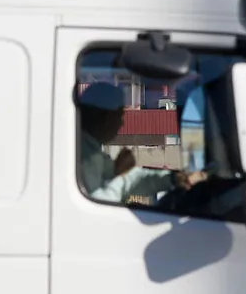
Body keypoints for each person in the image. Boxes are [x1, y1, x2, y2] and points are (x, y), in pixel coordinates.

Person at [76, 81, 204, 203]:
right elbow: (101, 201)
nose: (122, 123)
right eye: (120, 116)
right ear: (107, 118)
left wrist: (171, 179)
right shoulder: (84, 157)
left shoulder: (91, 151)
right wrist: (120, 174)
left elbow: (131, 179)